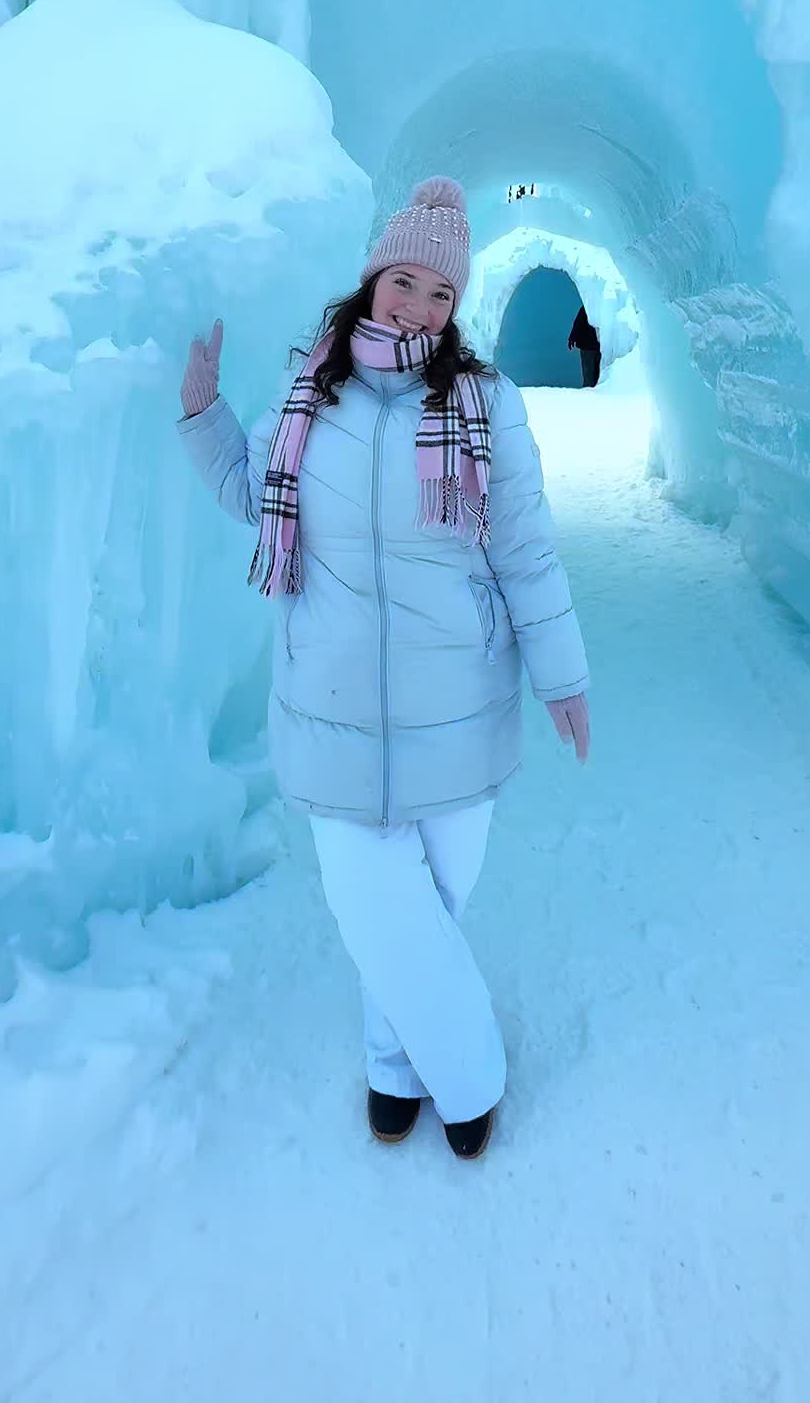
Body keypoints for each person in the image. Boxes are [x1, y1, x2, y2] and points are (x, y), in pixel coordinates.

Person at [178, 177, 590, 1162]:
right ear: (373, 280)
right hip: (333, 705)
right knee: (384, 911)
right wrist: (204, 417)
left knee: (423, 916)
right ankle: (471, 1081)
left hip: (463, 703)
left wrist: (561, 674)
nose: (418, 305)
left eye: (440, 294)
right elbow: (254, 494)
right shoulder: (309, 391)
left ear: (457, 308)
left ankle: (389, 1067)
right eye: (404, 281)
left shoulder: (485, 404)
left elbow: (524, 550)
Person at [567, 305, 602, 388]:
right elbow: (578, 323)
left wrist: (572, 338)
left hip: (590, 347)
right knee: (594, 377)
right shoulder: (591, 307)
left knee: (590, 377)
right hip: (592, 347)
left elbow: (578, 323)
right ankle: (591, 395)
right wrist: (572, 338)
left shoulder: (587, 307)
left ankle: (591, 394)